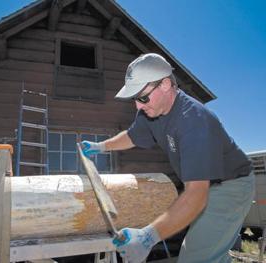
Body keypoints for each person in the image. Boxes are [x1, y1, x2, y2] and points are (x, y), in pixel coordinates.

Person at [82, 53, 255, 263]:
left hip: (230, 186)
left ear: (165, 84)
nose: (138, 105)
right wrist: (100, 146)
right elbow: (132, 136)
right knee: (204, 250)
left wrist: (147, 238)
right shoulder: (150, 111)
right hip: (204, 186)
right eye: (135, 99)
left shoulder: (193, 120)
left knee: (196, 257)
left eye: (142, 97)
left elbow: (197, 195)